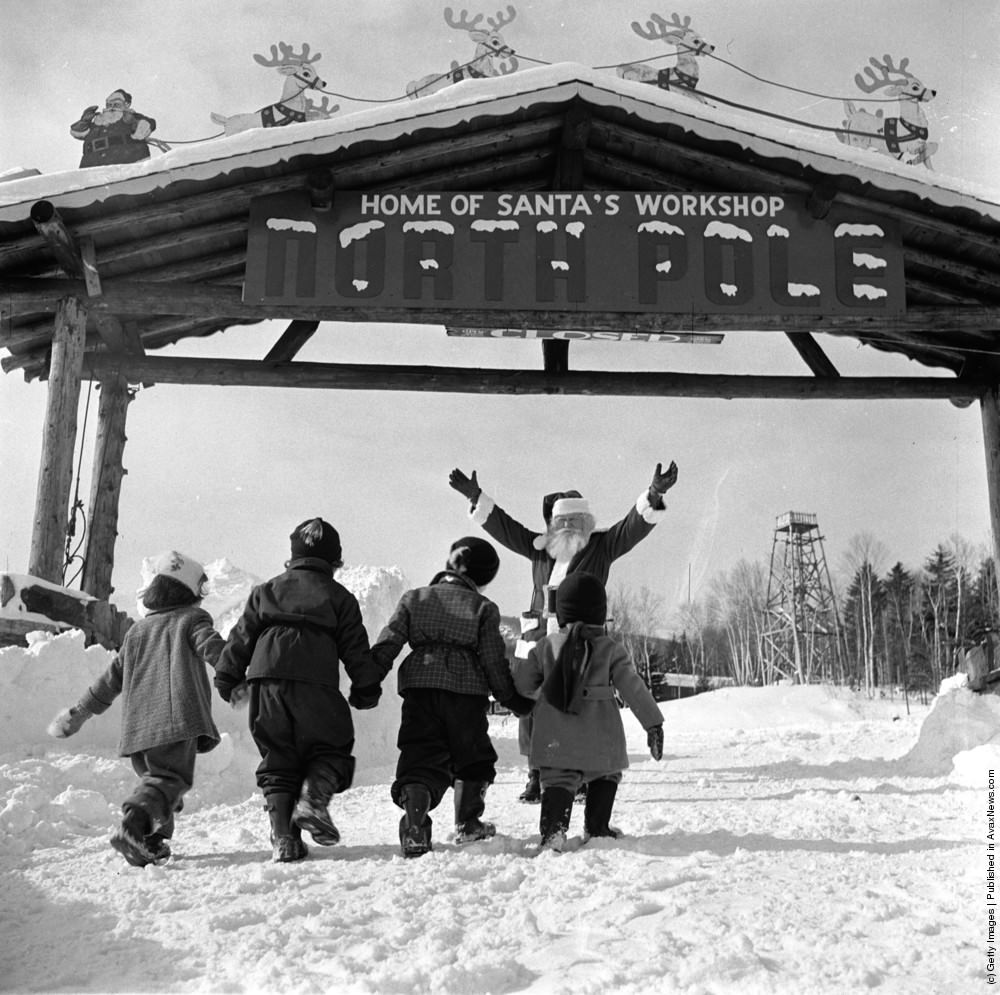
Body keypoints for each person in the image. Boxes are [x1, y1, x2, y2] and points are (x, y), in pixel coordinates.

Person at [448, 460, 678, 802]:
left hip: (579, 642)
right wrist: (477, 497)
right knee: (531, 709)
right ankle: (535, 774)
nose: (569, 527)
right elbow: (505, 528)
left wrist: (654, 492)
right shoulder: (539, 548)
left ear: (586, 523)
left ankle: (581, 773)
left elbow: (632, 526)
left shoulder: (601, 546)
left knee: (576, 706)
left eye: (575, 521)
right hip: (538, 641)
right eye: (562, 521)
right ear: (554, 525)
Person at [214, 518, 383, 863]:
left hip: (266, 682)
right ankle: (313, 802)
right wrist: (366, 689)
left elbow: (241, 636)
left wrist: (228, 677)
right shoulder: (339, 597)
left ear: (292, 558)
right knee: (331, 746)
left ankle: (284, 837)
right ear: (335, 562)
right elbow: (355, 649)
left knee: (278, 756)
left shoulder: (266, 591)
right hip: (315, 682)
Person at [46, 551, 225, 867]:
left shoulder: (137, 632)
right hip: (175, 723)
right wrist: (239, 669)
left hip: (137, 732)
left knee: (159, 785)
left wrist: (79, 713)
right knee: (168, 781)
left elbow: (110, 680)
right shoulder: (192, 620)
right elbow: (213, 648)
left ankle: (150, 841)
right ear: (190, 593)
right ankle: (133, 827)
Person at [371, 536, 535, 858]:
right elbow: (492, 660)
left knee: (420, 754)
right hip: (466, 693)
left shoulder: (415, 598)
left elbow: (388, 641)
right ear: (484, 579)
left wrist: (369, 678)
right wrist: (512, 699)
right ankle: (468, 823)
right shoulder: (483, 607)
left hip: (420, 688)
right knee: (473, 756)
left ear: (449, 563)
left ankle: (416, 825)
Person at [512, 571, 665, 852]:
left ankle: (553, 833)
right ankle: (596, 827)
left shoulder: (546, 646)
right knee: (606, 773)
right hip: (601, 733)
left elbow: (522, 684)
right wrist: (653, 724)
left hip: (555, 734)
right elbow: (633, 687)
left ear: (561, 612)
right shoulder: (610, 648)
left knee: (557, 778)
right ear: (600, 612)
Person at [70, 89, 157, 167]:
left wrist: (135, 122)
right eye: (109, 105)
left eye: (117, 104)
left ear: (126, 105)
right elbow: (77, 132)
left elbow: (146, 125)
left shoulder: (130, 118)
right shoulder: (97, 122)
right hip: (92, 168)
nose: (112, 107)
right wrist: (84, 121)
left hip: (126, 165)